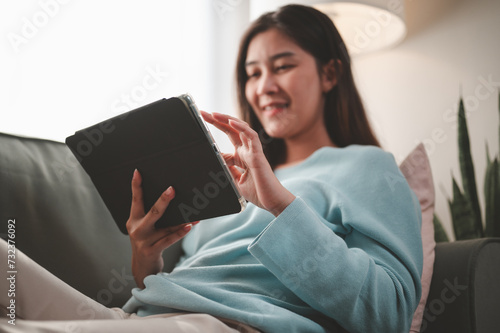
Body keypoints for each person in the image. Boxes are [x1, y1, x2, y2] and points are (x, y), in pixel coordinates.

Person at [0, 4, 423, 333]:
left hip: (225, 325)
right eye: (252, 73)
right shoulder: (228, 180)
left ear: (330, 74)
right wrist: (145, 257)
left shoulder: (368, 167)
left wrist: (281, 205)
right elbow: (175, 276)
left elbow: (387, 315)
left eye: (283, 66)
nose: (263, 87)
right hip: (140, 317)